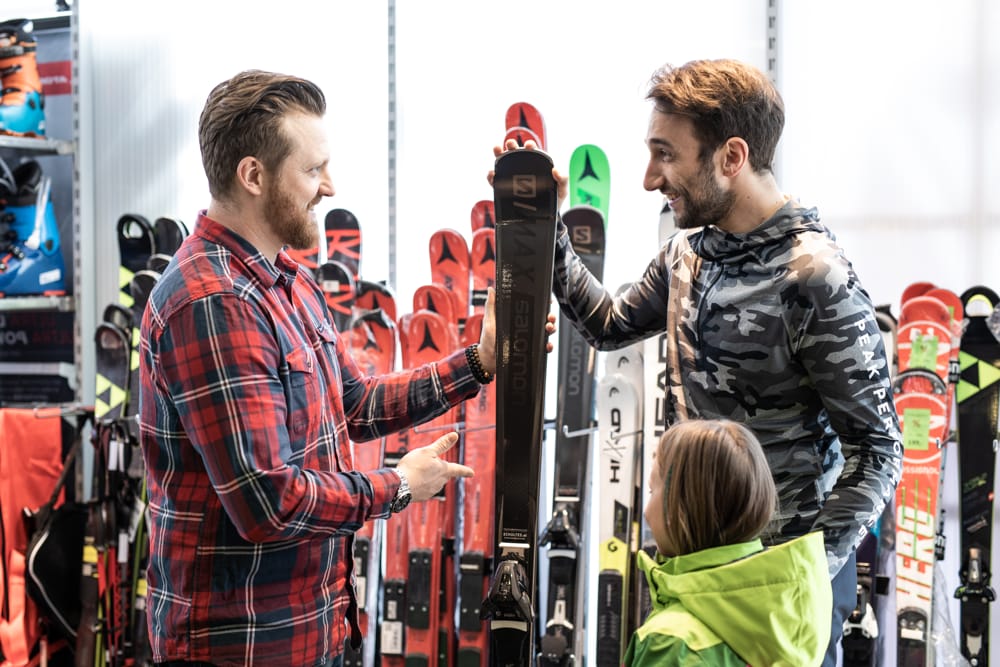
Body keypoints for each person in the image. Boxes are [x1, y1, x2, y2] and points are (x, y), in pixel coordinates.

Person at [495, 58, 902, 665]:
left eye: (666, 154)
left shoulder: (814, 277)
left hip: (777, 600)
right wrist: (545, 226)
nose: (648, 178)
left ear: (731, 157)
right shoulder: (688, 253)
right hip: (694, 574)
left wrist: (801, 566)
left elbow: (878, 449)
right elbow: (607, 326)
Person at [138, 70, 509, 667]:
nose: (329, 186)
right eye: (312, 171)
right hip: (242, 646)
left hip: (316, 631)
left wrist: (479, 363)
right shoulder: (212, 303)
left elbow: (353, 405)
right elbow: (269, 502)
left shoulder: (290, 281)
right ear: (253, 175)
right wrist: (398, 487)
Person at [625, 418, 831, 666]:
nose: (646, 511)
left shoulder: (670, 642)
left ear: (680, 510)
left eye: (652, 491)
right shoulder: (784, 617)